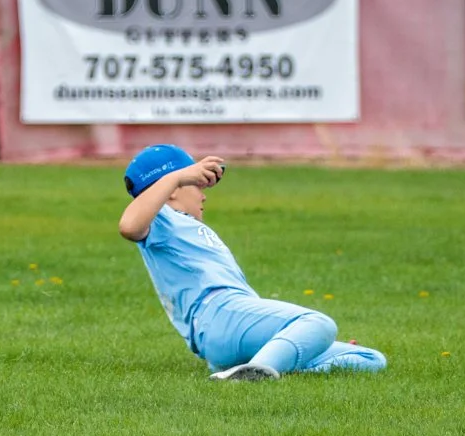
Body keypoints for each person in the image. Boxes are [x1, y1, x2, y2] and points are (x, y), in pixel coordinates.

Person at [118, 143, 388, 381]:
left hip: (234, 326)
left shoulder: (184, 225)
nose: (204, 194)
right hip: (219, 317)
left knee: (369, 358)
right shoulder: (162, 219)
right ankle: (258, 370)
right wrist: (176, 176)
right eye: (197, 183)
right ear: (172, 191)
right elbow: (129, 226)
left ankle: (263, 367)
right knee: (319, 323)